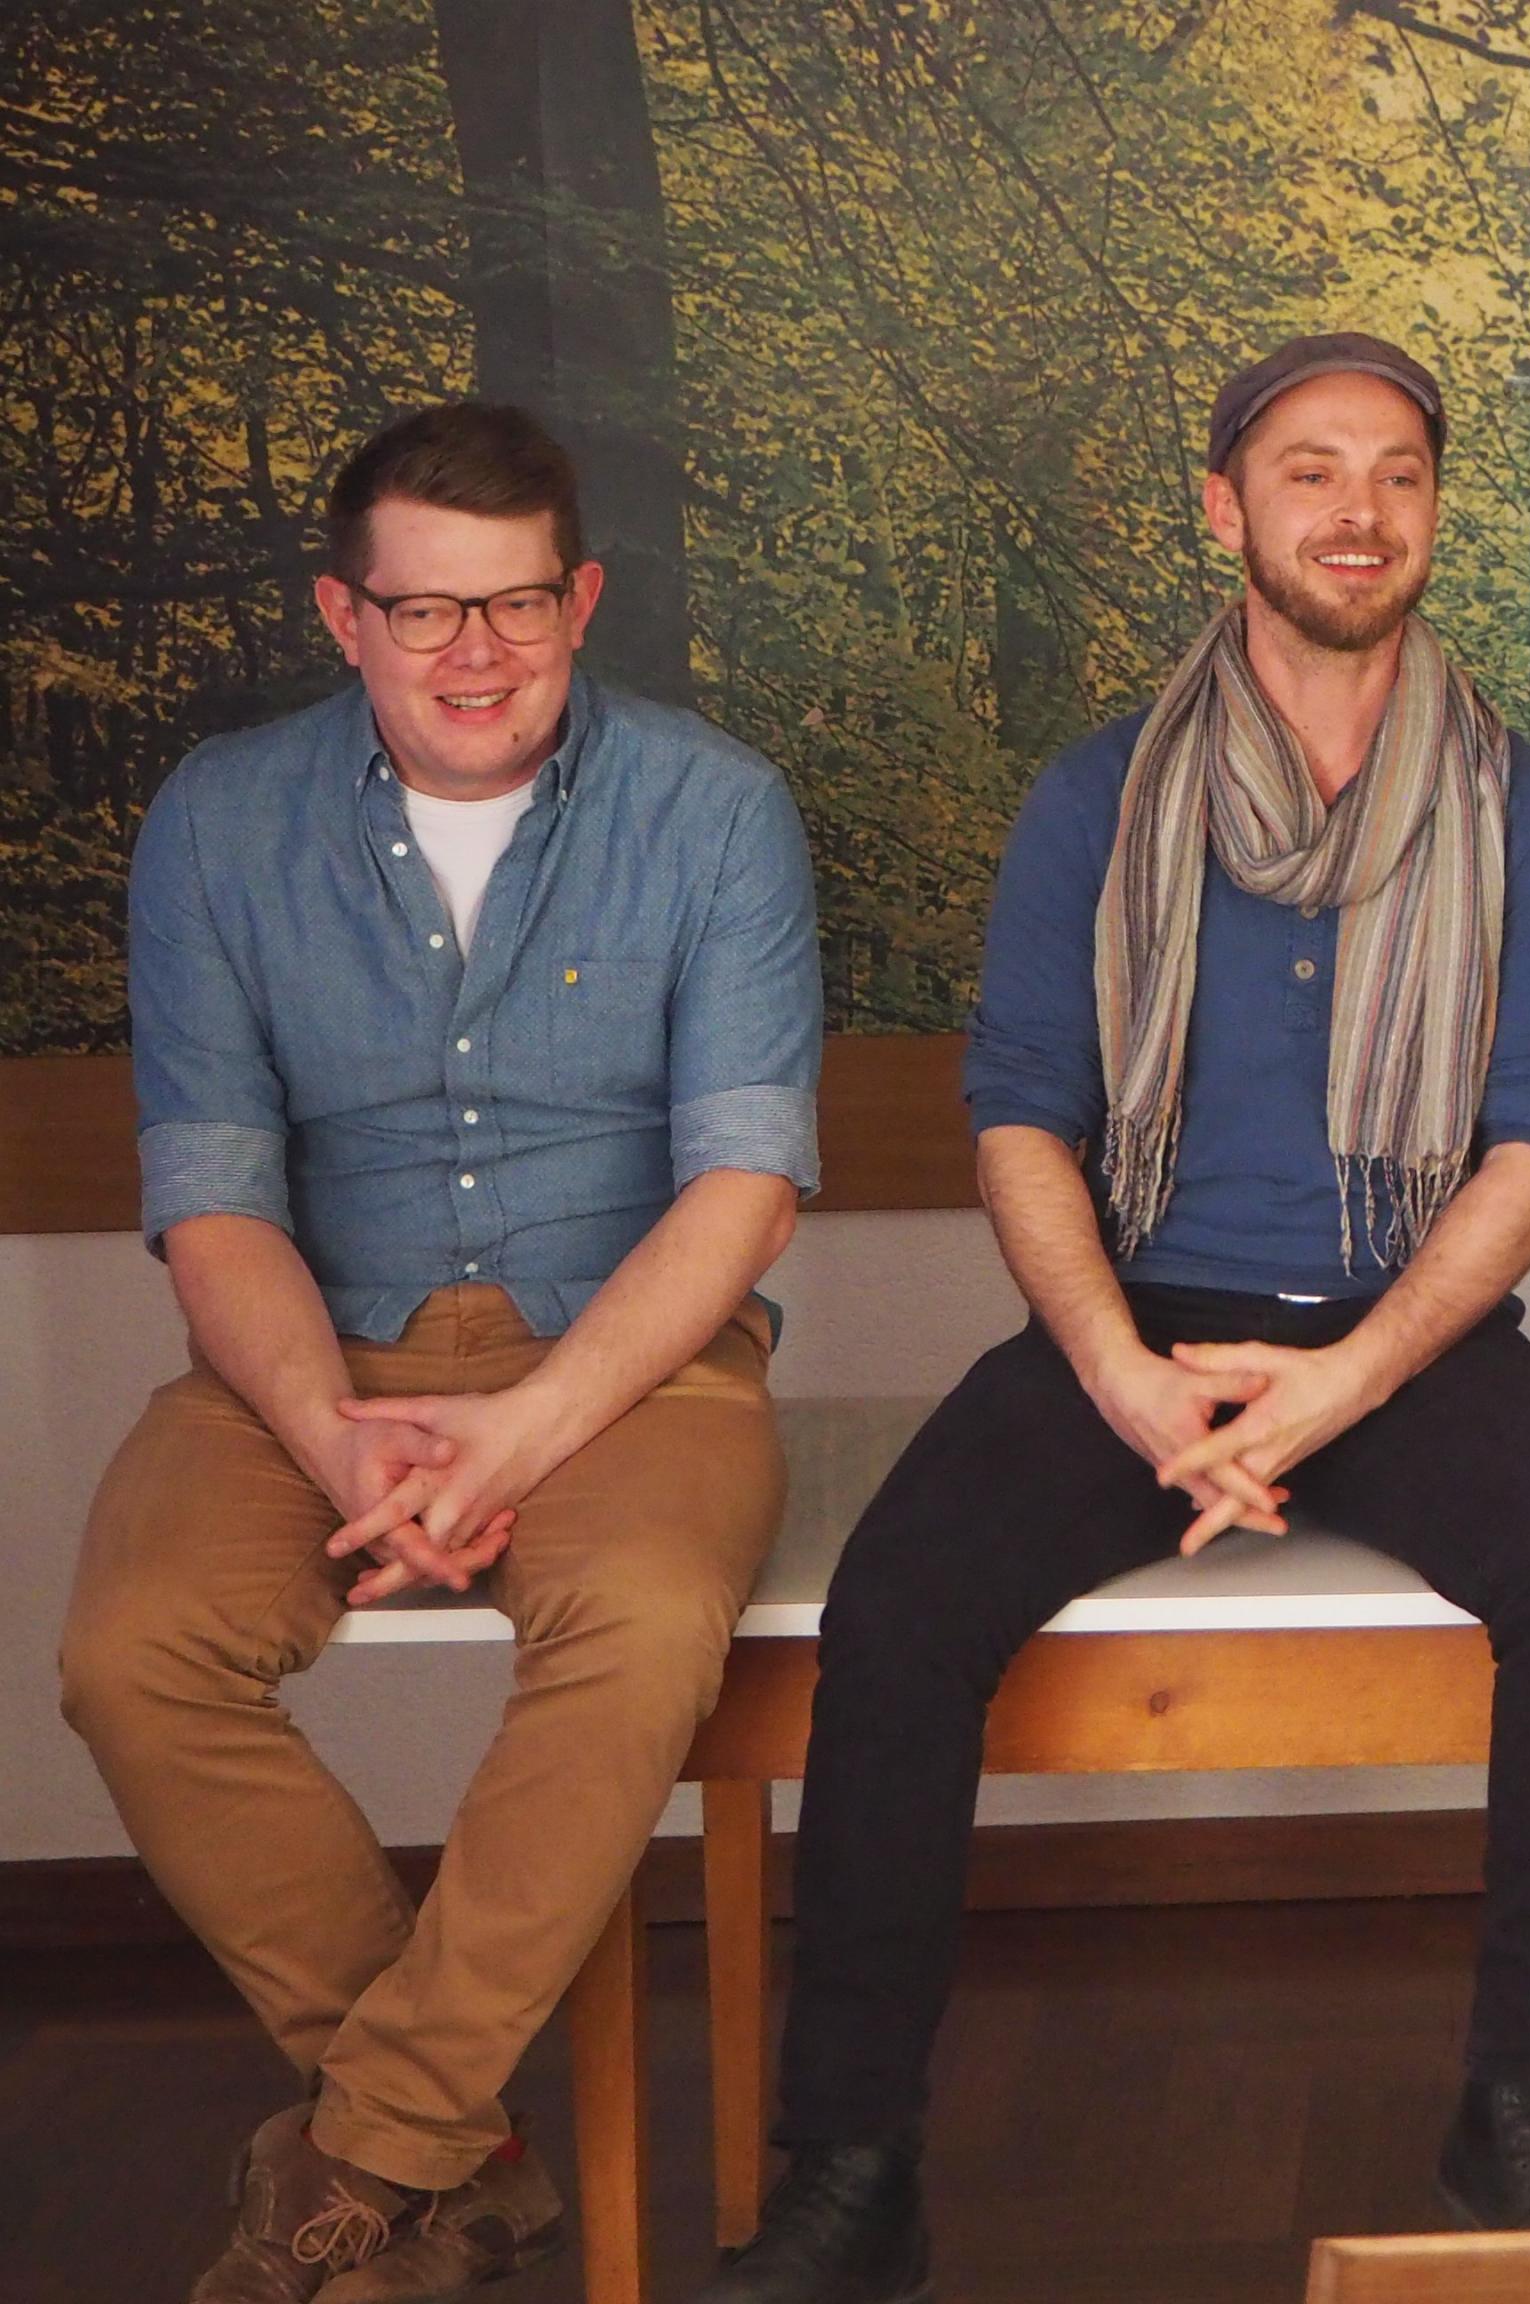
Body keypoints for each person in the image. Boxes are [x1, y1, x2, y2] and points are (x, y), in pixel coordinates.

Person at [702, 334, 1530, 2302]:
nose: (1358, 512)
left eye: (1397, 473)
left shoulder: (1523, 809)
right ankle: (854, 2170)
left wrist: (1347, 1379)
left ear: (1433, 511)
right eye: (1311, 471)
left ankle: (1522, 2113)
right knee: (901, 1602)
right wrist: (1122, 1377)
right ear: (1225, 508)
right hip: (1132, 1322)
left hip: (1401, 1326)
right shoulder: (1096, 797)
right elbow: (1021, 1112)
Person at [61, 402, 822, 2303]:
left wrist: (529, 1432)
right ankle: (458, 2156)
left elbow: (743, 1191)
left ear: (582, 600)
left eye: (515, 605)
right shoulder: (220, 820)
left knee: (641, 1626)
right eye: (424, 611)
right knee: (132, 1653)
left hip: (627, 1353)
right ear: (346, 616)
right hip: (311, 1349)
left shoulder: (714, 808)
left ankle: (362, 2157)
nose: (475, 653)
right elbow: (214, 1194)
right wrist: (334, 1436)